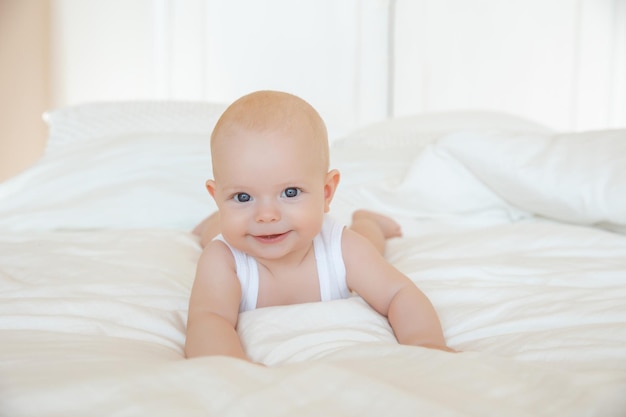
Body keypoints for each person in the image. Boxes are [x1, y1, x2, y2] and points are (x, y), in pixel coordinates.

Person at [185, 90, 453, 362]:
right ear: (217, 198)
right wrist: (231, 369)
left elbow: (398, 294)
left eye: (290, 193)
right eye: (242, 197)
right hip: (232, 237)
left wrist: (425, 342)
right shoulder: (222, 260)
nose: (266, 215)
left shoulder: (341, 247)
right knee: (214, 237)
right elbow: (209, 319)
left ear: (326, 193)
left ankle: (367, 220)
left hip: (345, 242)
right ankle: (212, 223)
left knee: (368, 243)